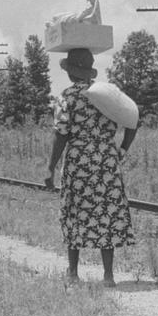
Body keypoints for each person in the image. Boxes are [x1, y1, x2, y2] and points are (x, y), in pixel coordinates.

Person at [45, 48, 138, 287]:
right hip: (107, 161)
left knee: (74, 212)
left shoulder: (67, 96)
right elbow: (133, 119)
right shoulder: (107, 94)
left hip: (78, 162)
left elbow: (61, 135)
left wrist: (50, 168)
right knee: (106, 213)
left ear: (71, 73)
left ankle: (73, 273)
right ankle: (108, 276)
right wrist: (122, 150)